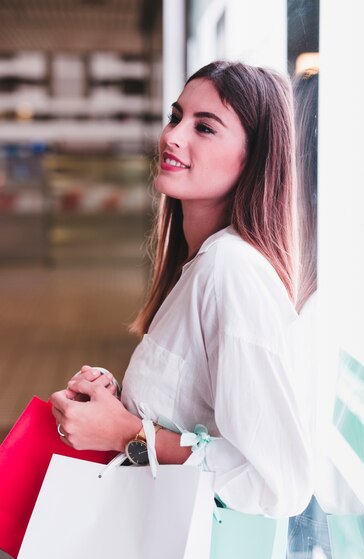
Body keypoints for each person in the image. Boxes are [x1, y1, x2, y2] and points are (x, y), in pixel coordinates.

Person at [50, 61, 312, 518]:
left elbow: (278, 484)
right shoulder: (200, 263)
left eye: (204, 128)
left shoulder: (231, 269)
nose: (172, 136)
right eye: (177, 117)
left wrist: (125, 434)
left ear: (254, 157)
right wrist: (115, 403)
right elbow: (193, 414)